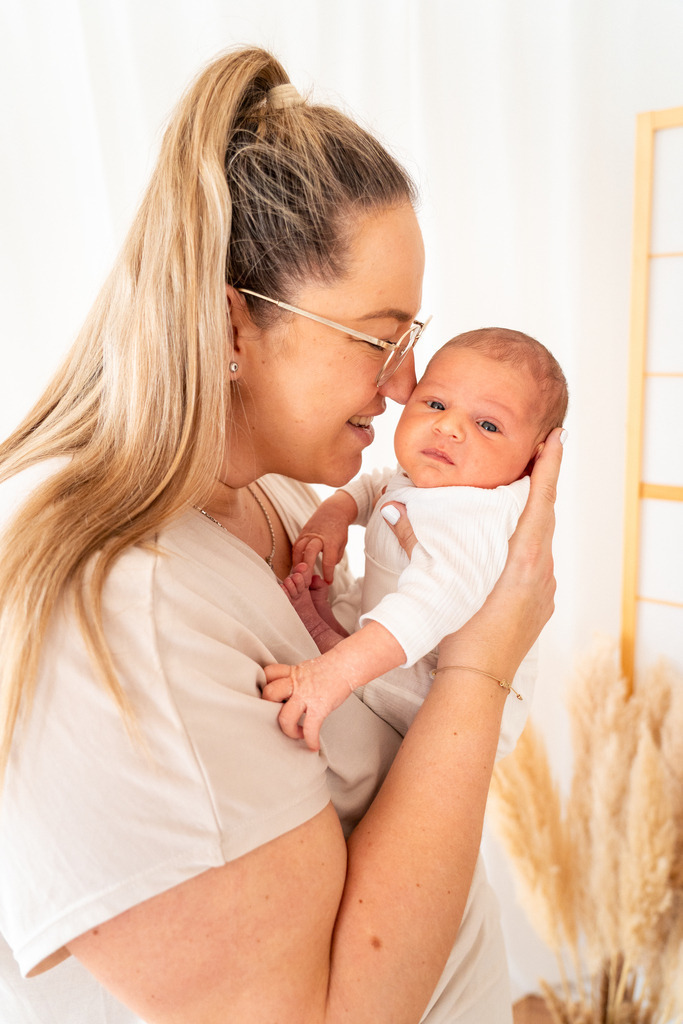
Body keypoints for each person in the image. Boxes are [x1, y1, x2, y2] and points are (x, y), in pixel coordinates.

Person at [0, 45, 563, 1024]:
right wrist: (482, 663)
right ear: (231, 329)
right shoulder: (117, 616)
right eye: (381, 338)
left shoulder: (285, 502)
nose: (408, 386)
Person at [263, 328, 568, 752]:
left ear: (533, 462)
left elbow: (431, 603)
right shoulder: (437, 479)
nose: (448, 426)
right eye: (436, 404)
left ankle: (330, 642)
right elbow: (378, 486)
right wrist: (335, 513)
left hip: (451, 695)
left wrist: (336, 670)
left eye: (487, 425)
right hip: (398, 633)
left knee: (392, 645)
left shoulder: (479, 515)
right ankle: (336, 631)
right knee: (364, 604)